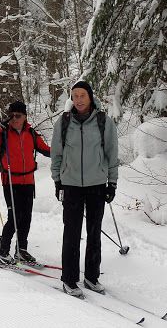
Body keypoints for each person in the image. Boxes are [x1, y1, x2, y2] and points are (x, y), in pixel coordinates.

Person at [51, 81, 118, 298]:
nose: (78, 99)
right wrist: (57, 180)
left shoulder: (103, 122)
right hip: (70, 185)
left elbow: (111, 154)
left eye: (82, 95)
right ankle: (69, 280)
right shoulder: (64, 122)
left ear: (90, 97)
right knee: (71, 233)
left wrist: (112, 182)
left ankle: (91, 277)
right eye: (75, 95)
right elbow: (57, 154)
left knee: (94, 232)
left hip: (97, 184)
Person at [0, 101, 50, 264]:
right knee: (14, 217)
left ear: (25, 116)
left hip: (28, 181)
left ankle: (21, 250)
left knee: (25, 217)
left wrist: (65, 151)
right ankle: (2, 252)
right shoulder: (4, 133)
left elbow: (47, 150)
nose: (14, 119)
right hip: (10, 181)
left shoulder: (31, 133)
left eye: (18, 116)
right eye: (11, 116)